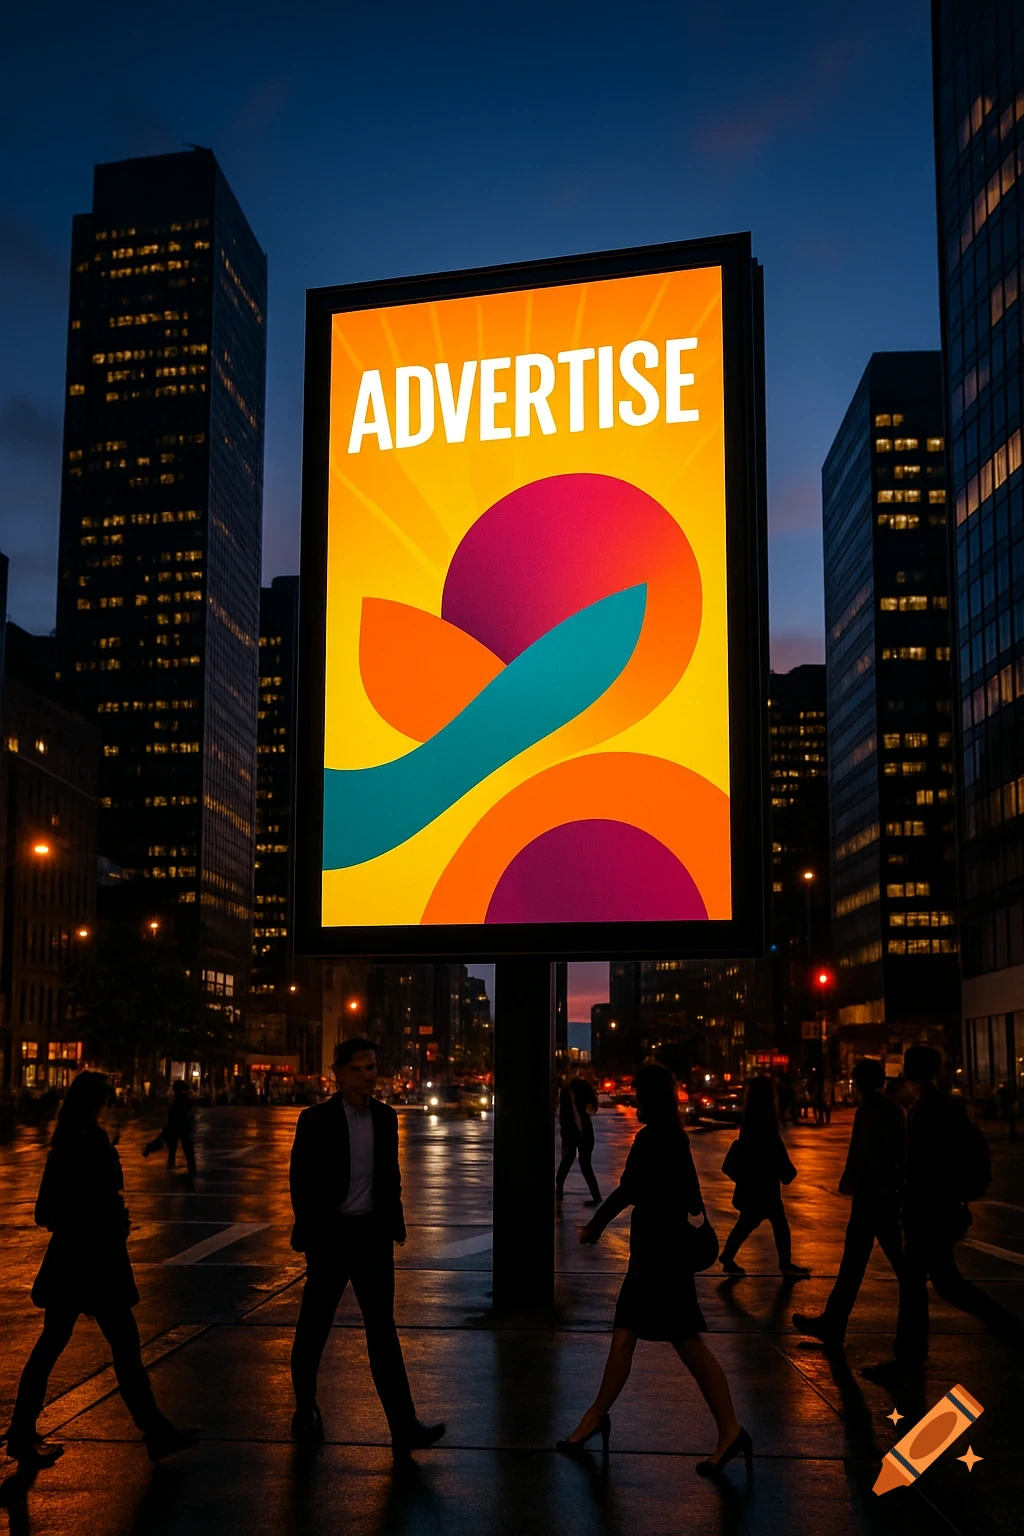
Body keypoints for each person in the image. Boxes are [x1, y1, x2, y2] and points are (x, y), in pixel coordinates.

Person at [556, 1063, 752, 1479]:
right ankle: (595, 1419)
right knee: (634, 1338)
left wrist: (595, 1226)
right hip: (659, 1259)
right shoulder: (675, 1138)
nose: (634, 1098)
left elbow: (630, 1189)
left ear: (650, 1098)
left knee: (682, 1344)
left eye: (637, 1092)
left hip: (659, 1261)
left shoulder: (652, 1139)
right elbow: (682, 1197)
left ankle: (730, 1430)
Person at [5, 1071, 199, 1468]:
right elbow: (102, 1201)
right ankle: (155, 1431)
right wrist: (111, 1220)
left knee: (51, 1346)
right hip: (98, 1262)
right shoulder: (91, 1142)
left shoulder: (63, 1143)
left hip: (67, 1262)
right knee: (124, 1346)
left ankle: (22, 1434)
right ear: (99, 1104)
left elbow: (46, 1211)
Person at [288, 1037, 445, 1458]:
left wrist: (393, 1224)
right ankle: (305, 1409)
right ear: (338, 1074)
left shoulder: (386, 1118)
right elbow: (300, 1181)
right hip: (330, 1237)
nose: (367, 1077)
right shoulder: (315, 1120)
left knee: (383, 1331)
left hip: (371, 1238)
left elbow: (388, 1174)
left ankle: (404, 1425)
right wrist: (309, 1234)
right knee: (314, 1328)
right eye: (357, 1069)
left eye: (372, 1067)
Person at [863, 1045, 1023, 1384]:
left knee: (914, 1283)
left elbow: (918, 1167)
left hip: (927, 1212)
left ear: (908, 1072)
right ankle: (1007, 1325)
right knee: (947, 1283)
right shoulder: (950, 1107)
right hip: (945, 1209)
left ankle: (908, 1356)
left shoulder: (923, 1111)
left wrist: (906, 1203)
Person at [793, 1058, 905, 1350]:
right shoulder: (891, 1111)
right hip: (883, 1195)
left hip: (871, 1197)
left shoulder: (870, 1111)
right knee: (872, 1263)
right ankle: (832, 1323)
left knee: (858, 1263)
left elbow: (863, 1154)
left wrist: (852, 1182)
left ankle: (834, 1325)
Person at [719, 1076, 811, 1277]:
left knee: (747, 1224)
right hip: (766, 1188)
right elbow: (776, 1152)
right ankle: (785, 1264)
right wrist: (787, 1171)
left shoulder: (749, 1122)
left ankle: (728, 1256)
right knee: (778, 1226)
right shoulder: (767, 1124)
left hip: (752, 1187)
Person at [555, 1074, 602, 1205]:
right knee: (583, 1164)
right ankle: (596, 1196)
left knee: (569, 1161)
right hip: (582, 1133)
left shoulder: (568, 1098)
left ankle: (559, 1190)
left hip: (574, 1133)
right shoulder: (579, 1102)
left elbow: (564, 1119)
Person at [143, 1080, 196, 1175]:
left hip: (174, 1125)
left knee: (168, 1143)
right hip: (181, 1126)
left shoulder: (176, 1098)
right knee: (186, 1147)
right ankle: (191, 1168)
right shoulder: (183, 1098)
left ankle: (151, 1150)